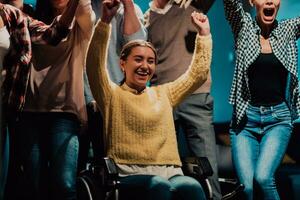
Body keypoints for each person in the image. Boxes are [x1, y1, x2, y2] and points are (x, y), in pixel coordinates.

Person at [86, 0, 212, 199]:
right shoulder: (111, 95)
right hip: (129, 173)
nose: (145, 66)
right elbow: (93, 65)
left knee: (192, 187)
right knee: (158, 186)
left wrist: (204, 34)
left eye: (150, 61)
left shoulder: (164, 94)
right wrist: (105, 22)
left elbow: (198, 74)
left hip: (170, 172)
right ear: (122, 63)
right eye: (138, 59)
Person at [4, 0, 95, 199]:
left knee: (64, 184)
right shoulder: (26, 19)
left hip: (63, 112)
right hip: (28, 112)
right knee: (34, 185)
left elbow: (65, 24)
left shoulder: (80, 21)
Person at [223, 0, 300, 199]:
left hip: (278, 119)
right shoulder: (243, 25)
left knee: (264, 178)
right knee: (247, 189)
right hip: (245, 121)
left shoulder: (287, 29)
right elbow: (230, 4)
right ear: (252, 2)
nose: (269, 1)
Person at [144, 0, 221, 199]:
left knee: (206, 168)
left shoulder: (192, 3)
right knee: (163, 168)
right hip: (163, 98)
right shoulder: (147, 17)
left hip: (195, 95)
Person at [78, 0, 147, 172]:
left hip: (116, 101)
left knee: (112, 164)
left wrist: (128, 4)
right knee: (78, 167)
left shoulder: (129, 10)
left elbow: (137, 46)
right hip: (81, 98)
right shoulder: (84, 7)